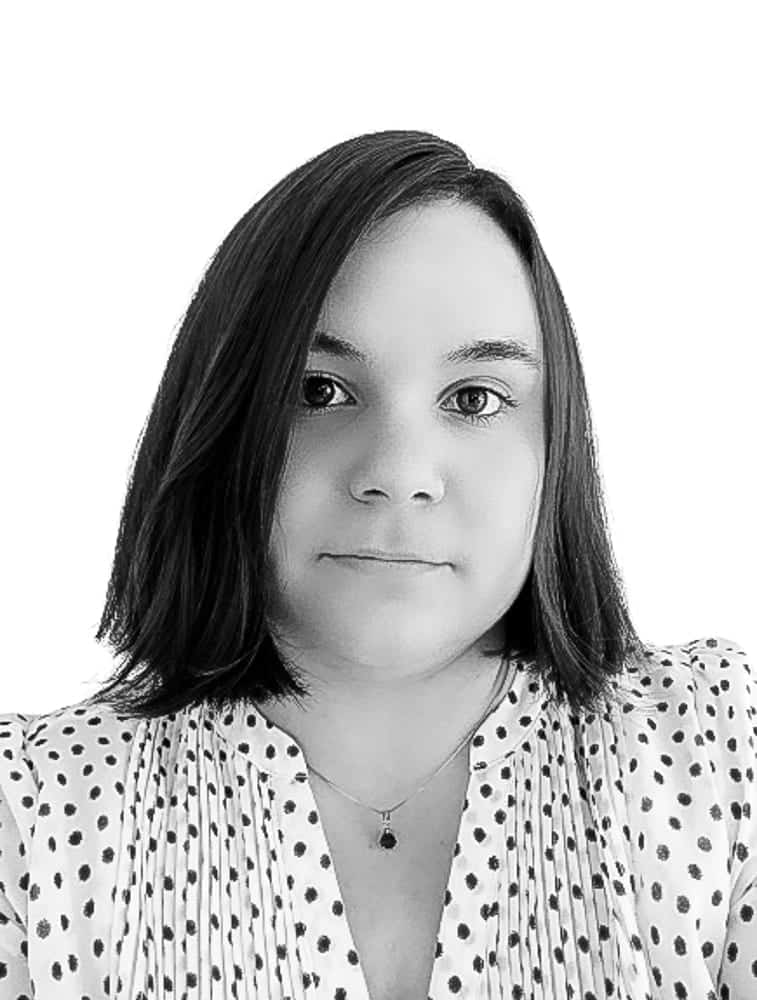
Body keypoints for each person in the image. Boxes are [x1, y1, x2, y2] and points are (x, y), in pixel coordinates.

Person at [1, 130, 754, 1000]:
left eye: (474, 398)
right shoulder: (32, 818)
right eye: (318, 391)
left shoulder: (720, 753)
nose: (398, 472)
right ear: (220, 419)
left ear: (556, 448)